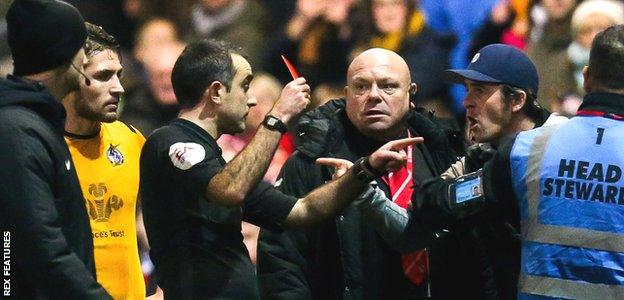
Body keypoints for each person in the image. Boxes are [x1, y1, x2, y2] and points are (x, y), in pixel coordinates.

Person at [139, 39, 418, 299]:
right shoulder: (169, 142)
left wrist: (364, 170)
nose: (251, 100)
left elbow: (303, 211)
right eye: (245, 86)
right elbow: (231, 190)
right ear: (216, 92)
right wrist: (277, 117)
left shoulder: (218, 168)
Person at [407, 25, 624, 299]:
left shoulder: (530, 149)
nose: (467, 102)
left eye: (481, 90)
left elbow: (449, 199)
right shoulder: (512, 148)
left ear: (586, 78)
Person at [348, 44, 568, 298]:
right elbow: (425, 203)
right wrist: (478, 185)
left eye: (481, 91)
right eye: (467, 89)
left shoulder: (561, 149)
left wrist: (479, 187)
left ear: (517, 100)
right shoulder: (480, 155)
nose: (467, 102)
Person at [257, 48, 469, 299]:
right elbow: (281, 259)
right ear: (347, 95)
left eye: (388, 86)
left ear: (411, 93)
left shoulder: (444, 152)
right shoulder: (313, 160)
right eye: (361, 87)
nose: (374, 96)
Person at [0, 0, 109, 298]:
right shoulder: (17, 130)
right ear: (64, 54)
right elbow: (42, 247)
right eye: (82, 47)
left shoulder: (36, 121)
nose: (86, 58)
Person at [62, 22, 146, 299]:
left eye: (119, 75)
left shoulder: (131, 139)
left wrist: (168, 287)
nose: (118, 87)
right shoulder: (36, 146)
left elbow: (163, 221)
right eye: (104, 76)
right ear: (69, 76)